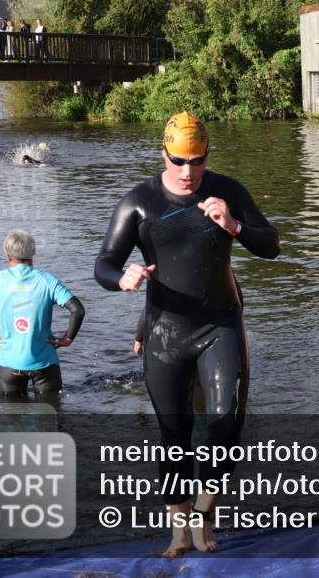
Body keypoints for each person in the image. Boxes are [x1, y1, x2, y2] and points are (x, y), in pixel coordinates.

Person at [94, 111, 279, 558]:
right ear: (164, 153)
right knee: (173, 435)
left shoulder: (227, 191)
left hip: (220, 325)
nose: (188, 170)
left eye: (197, 160)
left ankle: (203, 514)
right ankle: (179, 528)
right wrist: (123, 278)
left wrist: (234, 224)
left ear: (206, 156)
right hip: (166, 331)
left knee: (225, 426)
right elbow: (103, 263)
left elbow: (271, 244)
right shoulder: (140, 201)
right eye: (179, 160)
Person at [0, 231, 85, 405]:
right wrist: (68, 338)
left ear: (7, 255)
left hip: (10, 363)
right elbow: (77, 310)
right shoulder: (47, 280)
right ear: (33, 254)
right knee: (50, 422)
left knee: (11, 422)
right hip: (45, 364)